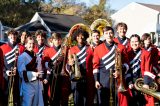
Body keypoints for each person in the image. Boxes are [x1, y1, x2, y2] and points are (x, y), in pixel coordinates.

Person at [93, 26, 130, 106]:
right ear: (104, 35)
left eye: (110, 33)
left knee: (117, 103)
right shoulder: (98, 48)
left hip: (118, 80)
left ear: (113, 34)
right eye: (106, 33)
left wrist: (120, 71)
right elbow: (96, 66)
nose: (109, 35)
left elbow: (127, 64)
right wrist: (96, 80)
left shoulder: (121, 47)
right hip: (103, 81)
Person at [66, 28, 94, 106]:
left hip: (87, 76)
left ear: (85, 37)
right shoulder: (72, 49)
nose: (80, 38)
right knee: (77, 99)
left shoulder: (89, 48)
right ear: (75, 37)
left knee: (86, 100)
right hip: (76, 77)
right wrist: (70, 64)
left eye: (82, 36)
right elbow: (68, 65)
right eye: (78, 36)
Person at [42, 32, 71, 106]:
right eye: (55, 40)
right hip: (53, 76)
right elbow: (44, 63)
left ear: (61, 40)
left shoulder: (65, 49)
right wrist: (51, 64)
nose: (57, 41)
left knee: (64, 97)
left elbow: (68, 61)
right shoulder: (47, 50)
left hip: (64, 76)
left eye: (59, 39)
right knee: (53, 97)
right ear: (52, 40)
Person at [0, 29, 25, 106]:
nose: (13, 37)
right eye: (11, 35)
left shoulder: (21, 48)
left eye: (14, 35)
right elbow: (1, 63)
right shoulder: (2, 48)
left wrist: (18, 69)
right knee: (5, 95)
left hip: (17, 75)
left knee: (16, 96)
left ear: (16, 36)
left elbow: (23, 62)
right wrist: (5, 71)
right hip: (6, 75)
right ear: (8, 36)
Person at [17, 37, 44, 106]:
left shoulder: (37, 56)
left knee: (36, 104)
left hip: (37, 85)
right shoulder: (22, 57)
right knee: (27, 104)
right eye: (29, 43)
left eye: (33, 43)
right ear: (25, 45)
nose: (31, 45)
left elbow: (40, 70)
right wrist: (35, 74)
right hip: (27, 85)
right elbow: (21, 73)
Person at [126, 34, 146, 106]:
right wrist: (129, 82)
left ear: (140, 42)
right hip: (131, 82)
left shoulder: (144, 52)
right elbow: (126, 70)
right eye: (132, 41)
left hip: (142, 81)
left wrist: (145, 82)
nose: (134, 43)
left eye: (136, 41)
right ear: (130, 43)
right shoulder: (127, 54)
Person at [140, 33, 159, 106]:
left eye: (149, 39)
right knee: (147, 99)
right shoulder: (142, 51)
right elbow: (143, 66)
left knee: (152, 100)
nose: (148, 40)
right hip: (145, 76)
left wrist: (156, 71)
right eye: (146, 39)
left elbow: (155, 63)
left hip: (152, 75)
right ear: (143, 41)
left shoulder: (154, 50)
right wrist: (145, 81)